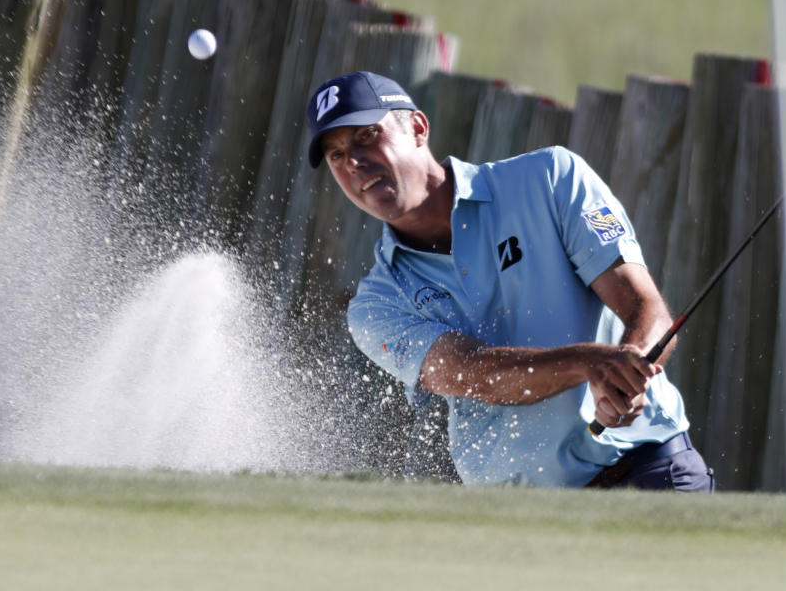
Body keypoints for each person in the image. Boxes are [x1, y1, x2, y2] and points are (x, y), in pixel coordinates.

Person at [305, 71, 714, 491]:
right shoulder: (376, 305)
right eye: (336, 155)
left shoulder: (552, 177)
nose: (353, 162)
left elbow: (645, 308)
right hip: (523, 512)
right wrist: (593, 363)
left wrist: (629, 370)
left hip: (651, 471)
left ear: (417, 127)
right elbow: (473, 373)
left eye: (367, 135)